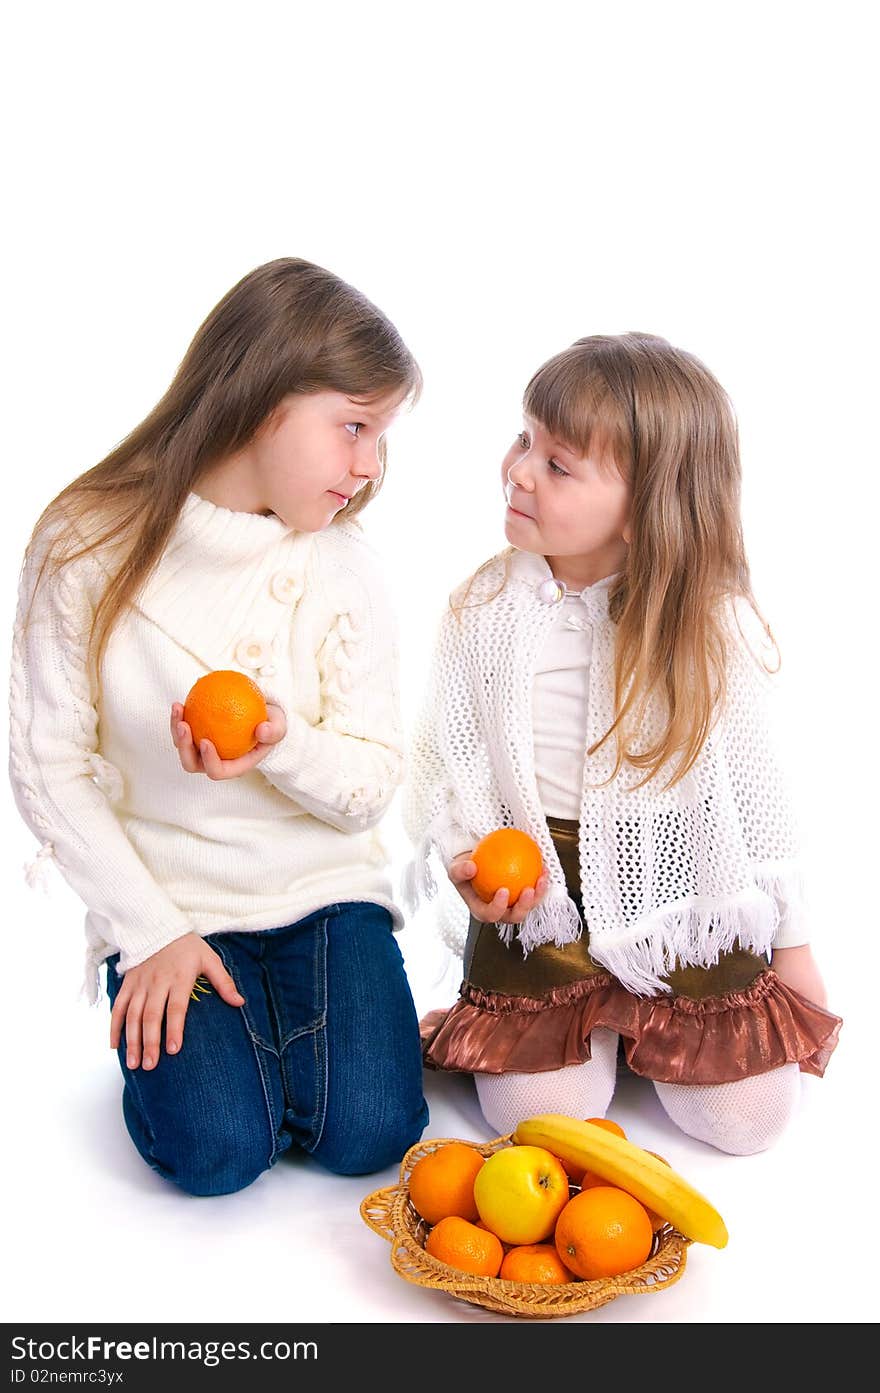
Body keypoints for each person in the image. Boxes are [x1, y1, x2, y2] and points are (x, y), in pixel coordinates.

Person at [9, 256, 429, 1195]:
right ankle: (235, 1060)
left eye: (381, 437)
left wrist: (284, 746)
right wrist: (147, 927)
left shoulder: (344, 568)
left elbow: (369, 785)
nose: (368, 468)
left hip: (322, 889)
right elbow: (46, 761)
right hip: (172, 898)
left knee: (372, 1133)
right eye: (354, 427)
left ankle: (294, 1047)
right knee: (216, 1154)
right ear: (261, 400)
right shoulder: (85, 541)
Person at [402, 332, 842, 1157]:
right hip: (539, 889)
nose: (520, 469)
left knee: (747, 1123)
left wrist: (794, 946)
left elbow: (759, 799)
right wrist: (467, 858)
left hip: (675, 883)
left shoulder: (704, 625)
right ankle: (589, 1022)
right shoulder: (485, 605)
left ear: (645, 510)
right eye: (524, 438)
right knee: (542, 1120)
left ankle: (647, 1019)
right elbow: (445, 759)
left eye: (558, 464)